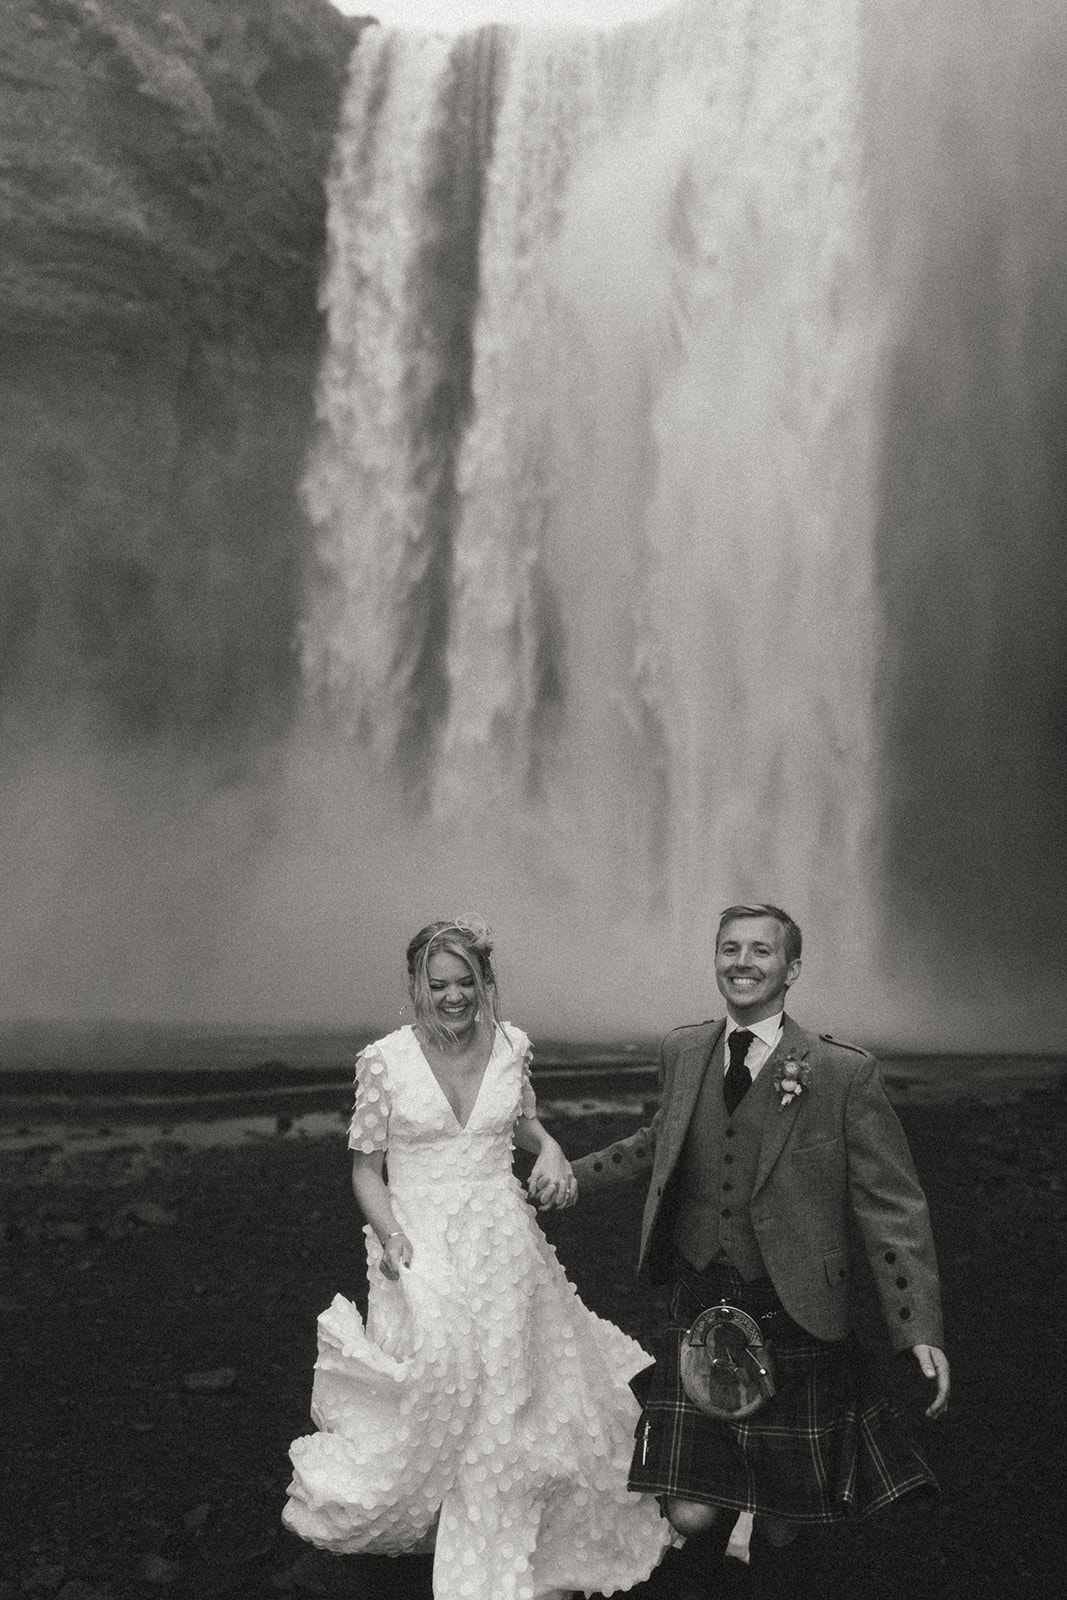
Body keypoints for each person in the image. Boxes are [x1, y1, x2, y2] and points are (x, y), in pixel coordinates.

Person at [282, 917, 674, 1600]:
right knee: (445, 1383)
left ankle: (518, 1544)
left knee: (515, 1398)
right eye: (438, 984)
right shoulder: (383, 1061)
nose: (453, 997)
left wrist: (549, 1149)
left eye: (466, 982)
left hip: (503, 1243)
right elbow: (366, 1170)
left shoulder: (511, 1047)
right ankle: (445, 1529)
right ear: (414, 986)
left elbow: (521, 1124)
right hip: (420, 1246)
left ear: (485, 983)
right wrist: (393, 1235)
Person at [571, 904, 950, 1600]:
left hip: (795, 1313)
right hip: (698, 1302)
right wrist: (567, 1178)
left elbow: (890, 1204)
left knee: (781, 1523)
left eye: (760, 951)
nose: (742, 962)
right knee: (689, 1508)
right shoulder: (682, 1051)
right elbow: (656, 1145)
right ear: (715, 959)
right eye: (729, 948)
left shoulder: (842, 1073)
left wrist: (916, 1324)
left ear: (791, 968)